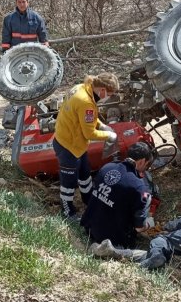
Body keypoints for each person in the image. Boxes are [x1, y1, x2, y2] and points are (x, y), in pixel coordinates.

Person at [53, 72, 120, 220]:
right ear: (102, 90)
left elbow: (84, 118)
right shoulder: (86, 103)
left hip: (75, 143)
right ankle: (67, 211)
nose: (108, 96)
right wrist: (109, 135)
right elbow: (89, 133)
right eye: (109, 93)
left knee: (85, 173)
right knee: (68, 182)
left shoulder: (81, 88)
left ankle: (88, 199)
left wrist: (102, 126)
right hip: (68, 146)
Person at [81, 142, 156, 259]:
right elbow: (139, 228)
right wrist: (149, 222)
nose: (146, 169)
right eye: (147, 165)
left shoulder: (107, 167)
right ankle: (110, 251)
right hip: (113, 239)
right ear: (141, 161)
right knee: (148, 255)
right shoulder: (140, 188)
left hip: (89, 227)